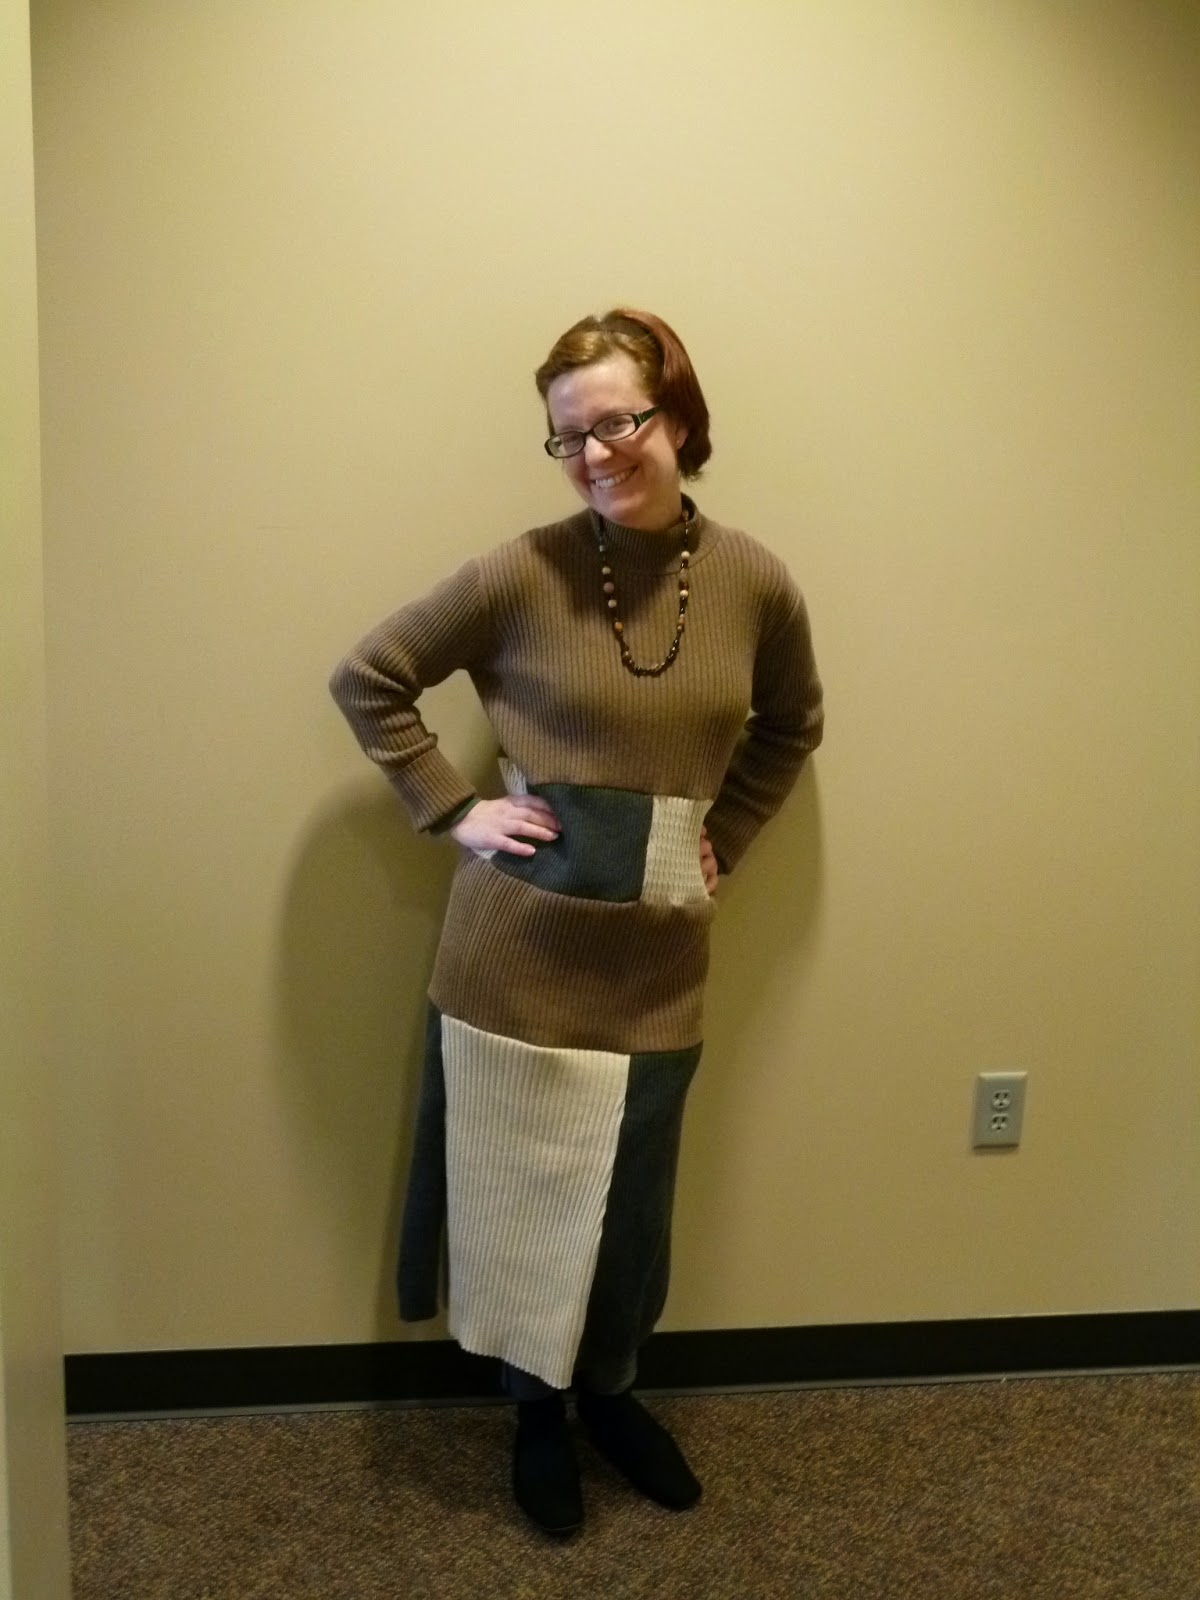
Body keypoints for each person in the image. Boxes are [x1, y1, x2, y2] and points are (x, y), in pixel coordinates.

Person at [330, 308, 824, 1537]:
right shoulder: (521, 571)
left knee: (629, 1209)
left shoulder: (756, 581)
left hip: (658, 966)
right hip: (514, 959)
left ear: (679, 416)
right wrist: (456, 811)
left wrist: (729, 835)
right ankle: (534, 1413)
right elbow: (370, 677)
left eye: (618, 422)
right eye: (568, 437)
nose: (596, 454)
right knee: (520, 1199)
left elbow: (792, 725)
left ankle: (609, 1389)